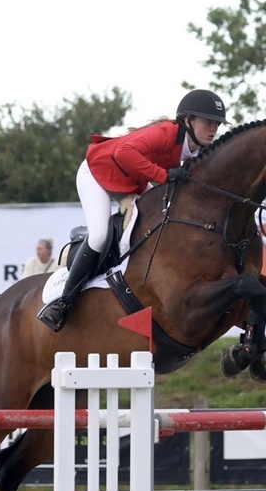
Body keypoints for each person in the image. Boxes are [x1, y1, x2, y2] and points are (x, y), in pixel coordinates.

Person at [37, 89, 228, 331]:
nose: (213, 128)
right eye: (208, 122)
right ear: (188, 120)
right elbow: (123, 152)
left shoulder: (196, 151)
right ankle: (63, 301)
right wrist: (164, 175)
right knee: (99, 235)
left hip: (131, 182)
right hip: (97, 173)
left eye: (217, 124)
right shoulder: (166, 132)